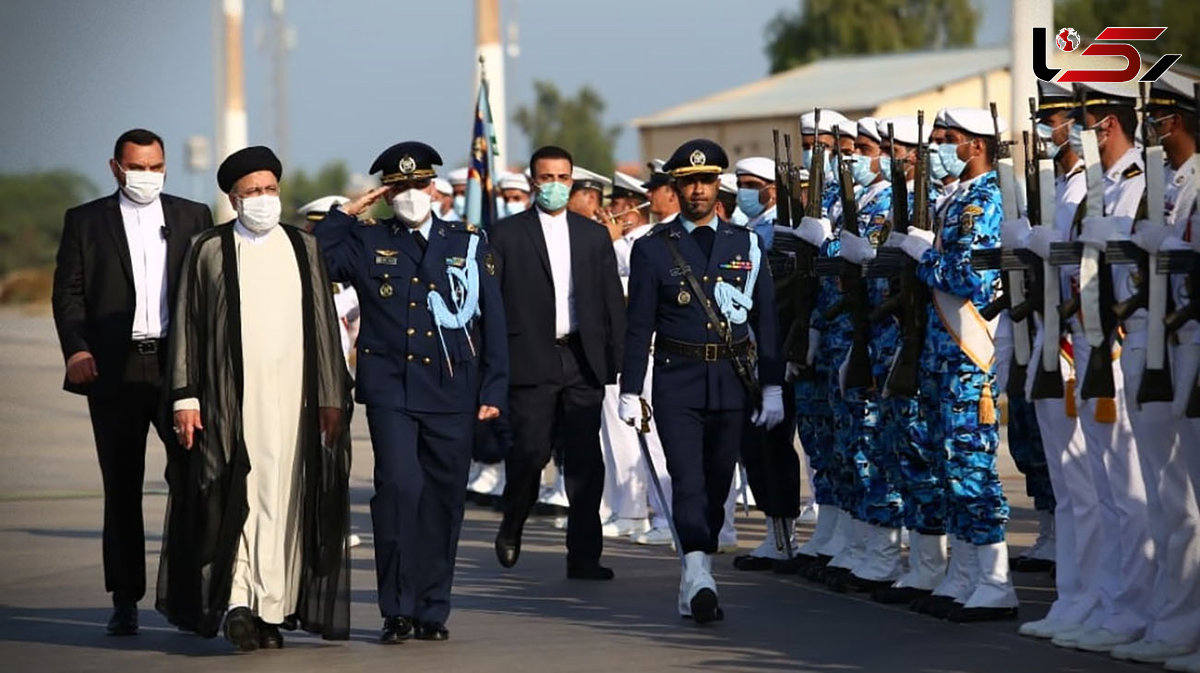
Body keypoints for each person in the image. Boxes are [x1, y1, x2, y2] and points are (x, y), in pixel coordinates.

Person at [313, 141, 508, 643]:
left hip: (453, 388)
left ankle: (432, 609)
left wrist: (494, 385)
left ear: (434, 187)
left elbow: (493, 320)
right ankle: (396, 608)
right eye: (398, 187)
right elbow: (318, 260)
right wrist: (349, 209)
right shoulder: (366, 238)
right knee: (399, 492)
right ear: (386, 192)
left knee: (444, 500)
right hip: (392, 390)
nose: (410, 195)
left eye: (418, 185)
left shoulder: (467, 240)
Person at [160, 145, 352, 650]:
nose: (264, 200)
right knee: (235, 496)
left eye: (270, 190)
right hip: (231, 404)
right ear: (233, 198)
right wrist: (185, 397)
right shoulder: (209, 249)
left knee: (283, 499)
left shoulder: (302, 247)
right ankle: (239, 602)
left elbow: (325, 330)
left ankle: (271, 607)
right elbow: (186, 325)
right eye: (253, 193)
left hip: (294, 403)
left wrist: (332, 397)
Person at [51, 128, 212, 636]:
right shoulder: (85, 222)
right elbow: (69, 294)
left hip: (177, 367)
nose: (148, 175)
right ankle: (125, 597)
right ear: (116, 167)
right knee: (121, 485)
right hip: (114, 369)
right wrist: (77, 348)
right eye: (138, 166)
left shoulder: (192, 217)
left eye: (156, 166)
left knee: (191, 480)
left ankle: (187, 594)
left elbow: (209, 293)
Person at [620, 139, 784, 623]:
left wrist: (771, 384)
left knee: (717, 485)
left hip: (732, 380)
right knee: (687, 479)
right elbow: (639, 325)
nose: (697, 190)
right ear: (675, 186)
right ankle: (698, 574)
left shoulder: (746, 243)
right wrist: (631, 388)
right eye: (688, 182)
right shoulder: (652, 249)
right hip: (678, 381)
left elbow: (767, 319)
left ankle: (697, 566)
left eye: (706, 180)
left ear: (719, 186)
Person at [893, 107, 1018, 622]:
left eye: (949, 139)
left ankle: (994, 580)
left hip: (968, 354)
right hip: (940, 355)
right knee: (948, 465)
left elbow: (972, 280)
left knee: (971, 466)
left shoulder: (987, 198)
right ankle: (965, 573)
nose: (942, 147)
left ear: (977, 143)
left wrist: (922, 255)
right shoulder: (957, 197)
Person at [1047, 81, 1152, 653]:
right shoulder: (1091, 183)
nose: (1070, 128)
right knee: (1101, 487)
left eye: (1081, 118)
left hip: (1121, 339)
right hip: (1083, 338)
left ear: (1106, 123)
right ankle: (1099, 600)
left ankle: (1137, 608)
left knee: (1132, 487)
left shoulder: (1138, 182)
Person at [490, 145, 626, 580]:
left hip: (580, 358)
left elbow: (610, 303)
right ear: (533, 182)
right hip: (530, 357)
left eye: (563, 178)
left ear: (573, 181)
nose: (555, 186)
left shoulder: (591, 236)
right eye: (546, 178)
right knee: (531, 452)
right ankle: (513, 520)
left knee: (586, 461)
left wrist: (616, 363)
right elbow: (491, 303)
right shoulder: (507, 234)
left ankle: (584, 555)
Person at [1016, 79, 1094, 641]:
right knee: (1072, 487)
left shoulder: (1095, 184)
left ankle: (1125, 604)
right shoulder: (1060, 184)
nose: (1049, 127)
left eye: (1058, 116)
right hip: (1057, 339)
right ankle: (1080, 598)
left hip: (1093, 341)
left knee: (1106, 489)